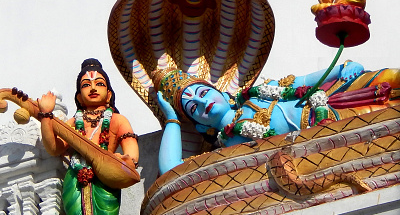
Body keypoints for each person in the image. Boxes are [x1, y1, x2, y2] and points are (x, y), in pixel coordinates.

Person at [153, 62, 400, 174]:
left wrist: (340, 69)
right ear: (199, 125)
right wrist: (172, 119)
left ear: (220, 91)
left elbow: (304, 82)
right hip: (328, 137)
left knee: (390, 77)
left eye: (204, 93)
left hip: (330, 104)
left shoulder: (260, 92)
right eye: (194, 108)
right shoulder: (230, 144)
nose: (204, 102)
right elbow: (171, 169)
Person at [38, 58, 139, 215]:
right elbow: (54, 148)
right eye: (86, 85)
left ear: (109, 94)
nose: (93, 88)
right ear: (79, 97)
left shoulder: (117, 120)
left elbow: (130, 147)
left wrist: (126, 159)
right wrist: (46, 115)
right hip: (75, 180)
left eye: (99, 83)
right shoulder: (73, 122)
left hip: (104, 180)